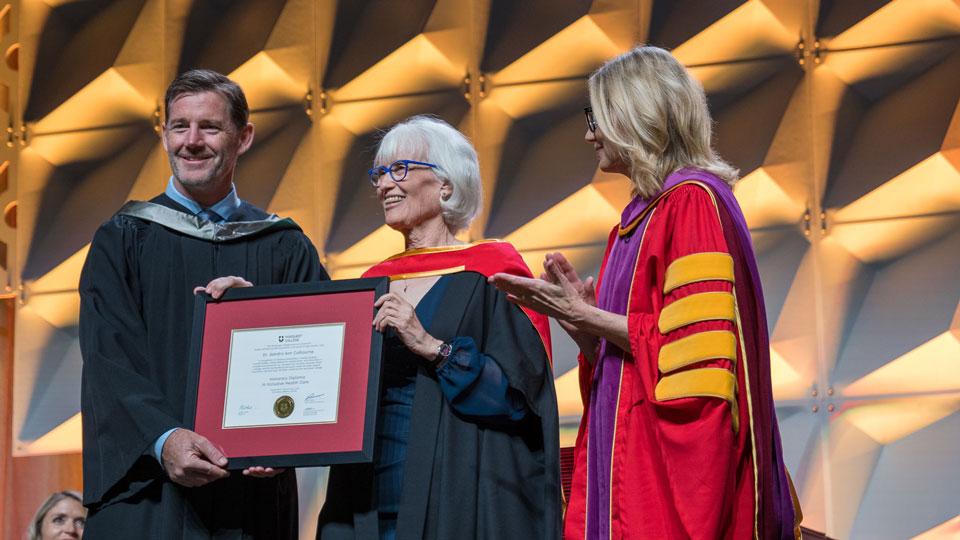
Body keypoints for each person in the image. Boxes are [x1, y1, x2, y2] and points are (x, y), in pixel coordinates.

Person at [491, 46, 801, 539]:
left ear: (637, 116)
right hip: (627, 454)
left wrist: (587, 317)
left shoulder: (692, 203)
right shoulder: (635, 221)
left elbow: (696, 361)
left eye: (596, 117)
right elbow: (636, 352)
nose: (588, 133)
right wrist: (582, 326)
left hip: (663, 473)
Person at [78, 69, 327, 539]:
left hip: (252, 496)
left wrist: (282, 444)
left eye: (209, 127)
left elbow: (323, 356)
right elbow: (108, 357)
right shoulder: (124, 238)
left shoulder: (285, 246)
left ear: (243, 137)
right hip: (148, 489)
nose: (191, 142)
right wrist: (165, 437)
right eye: (179, 127)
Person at [316, 115, 560, 540]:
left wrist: (431, 346)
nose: (384, 185)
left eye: (401, 169)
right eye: (379, 173)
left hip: (458, 493)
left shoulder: (492, 273)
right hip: (364, 498)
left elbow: (521, 400)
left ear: (446, 184)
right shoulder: (369, 284)